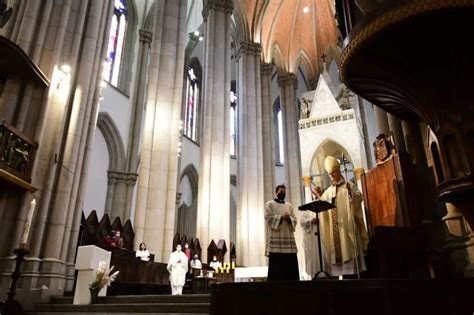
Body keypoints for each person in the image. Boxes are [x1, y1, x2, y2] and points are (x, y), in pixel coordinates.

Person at [318, 156, 368, 278]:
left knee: (350, 259)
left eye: (333, 173)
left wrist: (351, 193)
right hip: (335, 233)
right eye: (329, 174)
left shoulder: (348, 186)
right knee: (338, 262)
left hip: (348, 230)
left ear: (339, 171)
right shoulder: (327, 193)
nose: (331, 176)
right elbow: (321, 209)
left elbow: (358, 198)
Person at [264, 184, 299, 281]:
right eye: (281, 192)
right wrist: (281, 218)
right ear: (276, 192)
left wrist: (289, 219)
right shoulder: (269, 204)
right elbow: (268, 218)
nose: (283, 194)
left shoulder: (289, 206)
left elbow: (295, 220)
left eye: (284, 192)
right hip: (276, 242)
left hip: (288, 241)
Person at [300, 185, 323, 278]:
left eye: (319, 192)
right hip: (312, 237)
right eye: (316, 192)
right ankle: (315, 275)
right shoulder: (308, 207)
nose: (317, 194)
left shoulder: (325, 205)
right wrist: (311, 221)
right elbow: (302, 221)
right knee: (313, 258)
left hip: (323, 236)